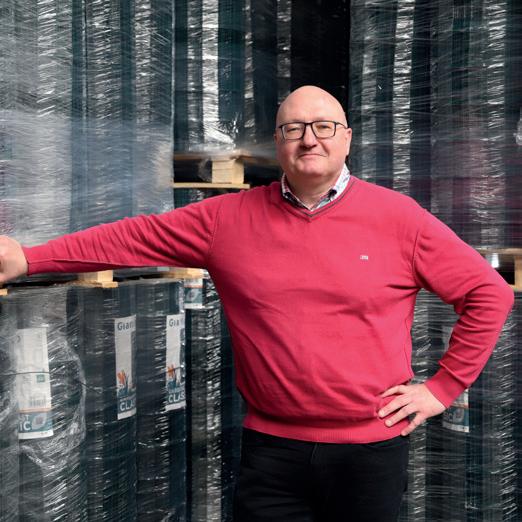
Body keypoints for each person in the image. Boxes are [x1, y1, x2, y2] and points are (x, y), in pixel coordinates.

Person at [0, 86, 514, 521]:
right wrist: (30, 257)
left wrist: (442, 388)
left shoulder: (399, 219)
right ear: (278, 141)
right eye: (293, 128)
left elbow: (487, 293)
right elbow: (133, 238)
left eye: (324, 127)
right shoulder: (225, 220)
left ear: (347, 138)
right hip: (272, 453)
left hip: (370, 453)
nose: (309, 138)